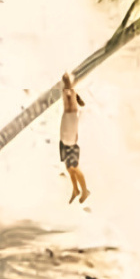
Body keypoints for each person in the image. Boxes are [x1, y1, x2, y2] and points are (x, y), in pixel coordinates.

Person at [59, 73, 89, 204]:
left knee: (74, 167)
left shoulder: (71, 103)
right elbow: (71, 93)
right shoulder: (69, 94)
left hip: (69, 138)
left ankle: (84, 190)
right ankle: (76, 190)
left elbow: (70, 93)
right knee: (69, 167)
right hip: (66, 138)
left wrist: (69, 88)